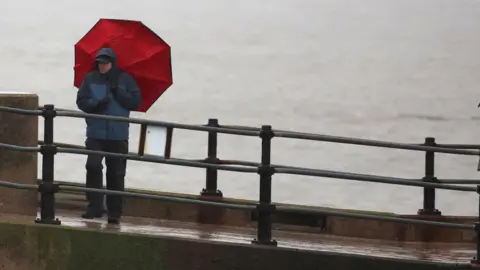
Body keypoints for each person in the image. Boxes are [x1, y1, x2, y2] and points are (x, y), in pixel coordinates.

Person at [76, 48, 142, 224]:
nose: (102, 66)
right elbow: (81, 101)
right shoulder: (90, 78)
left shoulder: (125, 79)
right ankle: (94, 207)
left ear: (113, 63)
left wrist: (119, 93)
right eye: (99, 63)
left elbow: (136, 102)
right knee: (93, 166)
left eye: (105, 63)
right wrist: (97, 103)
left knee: (116, 174)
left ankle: (115, 212)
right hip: (95, 133)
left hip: (118, 135)